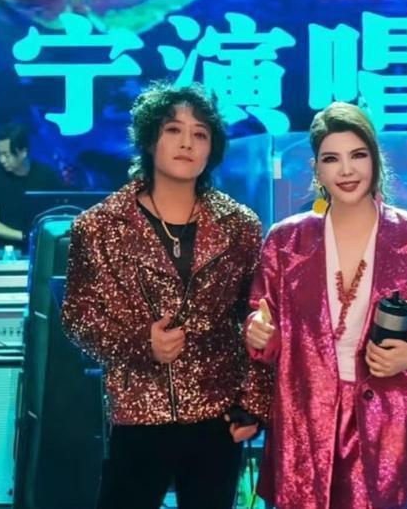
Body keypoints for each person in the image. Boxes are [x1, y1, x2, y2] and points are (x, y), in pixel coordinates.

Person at [61, 81, 272, 509]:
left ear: (212, 148)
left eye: (200, 134)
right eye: (173, 130)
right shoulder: (99, 226)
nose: (187, 143)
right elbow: (77, 316)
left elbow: (256, 315)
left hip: (217, 413)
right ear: (149, 139)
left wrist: (254, 403)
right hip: (139, 409)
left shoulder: (240, 226)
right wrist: (141, 343)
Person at [245, 102, 407, 509]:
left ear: (375, 160)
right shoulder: (286, 240)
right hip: (305, 418)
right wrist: (258, 331)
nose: (346, 170)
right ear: (317, 169)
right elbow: (264, 322)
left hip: (388, 420)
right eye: (332, 159)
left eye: (357, 155)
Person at [0, 123, 63, 251]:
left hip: (42, 247)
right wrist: (25, 236)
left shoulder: (46, 174)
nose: (2, 160)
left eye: (7, 155)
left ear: (23, 152)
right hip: (6, 249)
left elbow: (60, 210)